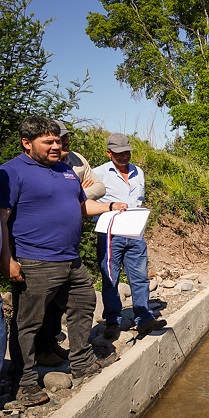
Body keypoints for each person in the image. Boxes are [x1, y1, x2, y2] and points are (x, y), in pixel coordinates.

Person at [0, 117, 124, 406]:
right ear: (27, 143)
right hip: (35, 261)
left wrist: (109, 207)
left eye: (58, 140)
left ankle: (82, 362)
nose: (57, 146)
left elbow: (81, 205)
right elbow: (2, 220)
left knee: (83, 306)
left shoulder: (66, 171)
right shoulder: (11, 172)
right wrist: (6, 260)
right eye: (48, 142)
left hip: (71, 259)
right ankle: (24, 382)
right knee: (28, 324)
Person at [34, 120, 108, 368]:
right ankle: (34, 363)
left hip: (68, 246)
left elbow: (99, 186)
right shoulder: (38, 166)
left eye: (64, 139)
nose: (61, 144)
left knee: (75, 301)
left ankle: (60, 348)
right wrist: (73, 191)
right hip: (41, 251)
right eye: (55, 139)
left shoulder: (76, 160)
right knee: (39, 309)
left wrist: (77, 193)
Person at [94, 133, 167, 341]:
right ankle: (112, 321)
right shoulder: (98, 174)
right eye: (119, 153)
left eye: (127, 152)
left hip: (135, 234)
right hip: (111, 235)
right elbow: (85, 201)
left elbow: (139, 200)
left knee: (140, 277)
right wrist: (108, 210)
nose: (124, 156)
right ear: (109, 153)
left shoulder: (138, 172)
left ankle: (144, 318)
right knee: (110, 278)